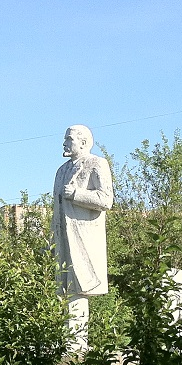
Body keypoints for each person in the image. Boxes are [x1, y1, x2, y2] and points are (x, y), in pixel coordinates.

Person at [51, 125, 113, 351]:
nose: (64, 143)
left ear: (84, 143)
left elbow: (106, 199)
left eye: (68, 139)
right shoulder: (61, 171)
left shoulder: (97, 163)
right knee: (65, 288)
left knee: (80, 287)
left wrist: (77, 194)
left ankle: (77, 343)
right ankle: (69, 341)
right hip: (63, 236)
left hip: (84, 238)